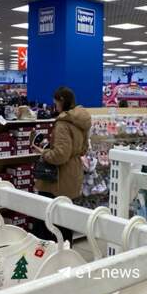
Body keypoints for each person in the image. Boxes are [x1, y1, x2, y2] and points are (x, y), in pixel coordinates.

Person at [31, 86, 91, 244]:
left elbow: (60, 155)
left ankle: (46, 254)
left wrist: (44, 152)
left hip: (57, 179)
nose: (54, 105)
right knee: (65, 222)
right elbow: (84, 149)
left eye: (56, 102)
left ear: (62, 101)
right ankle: (66, 253)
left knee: (47, 221)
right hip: (73, 174)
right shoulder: (81, 122)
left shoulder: (63, 123)